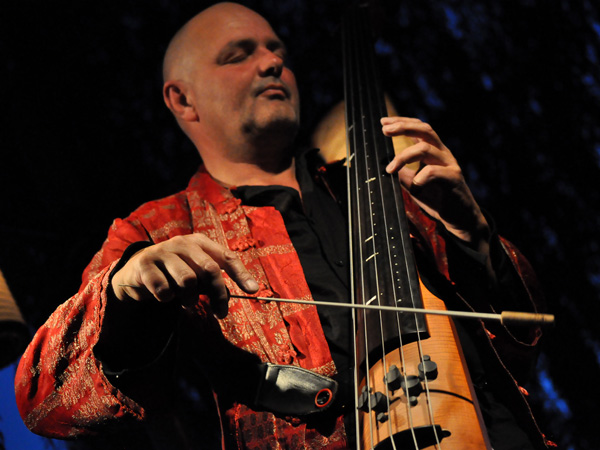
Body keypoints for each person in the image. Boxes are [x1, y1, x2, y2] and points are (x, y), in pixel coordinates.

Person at [15, 2, 552, 449]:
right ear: (182, 99)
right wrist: (126, 292)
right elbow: (50, 403)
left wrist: (474, 234)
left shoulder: (387, 188)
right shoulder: (158, 227)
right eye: (239, 55)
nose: (273, 62)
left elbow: (519, 345)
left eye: (278, 52)